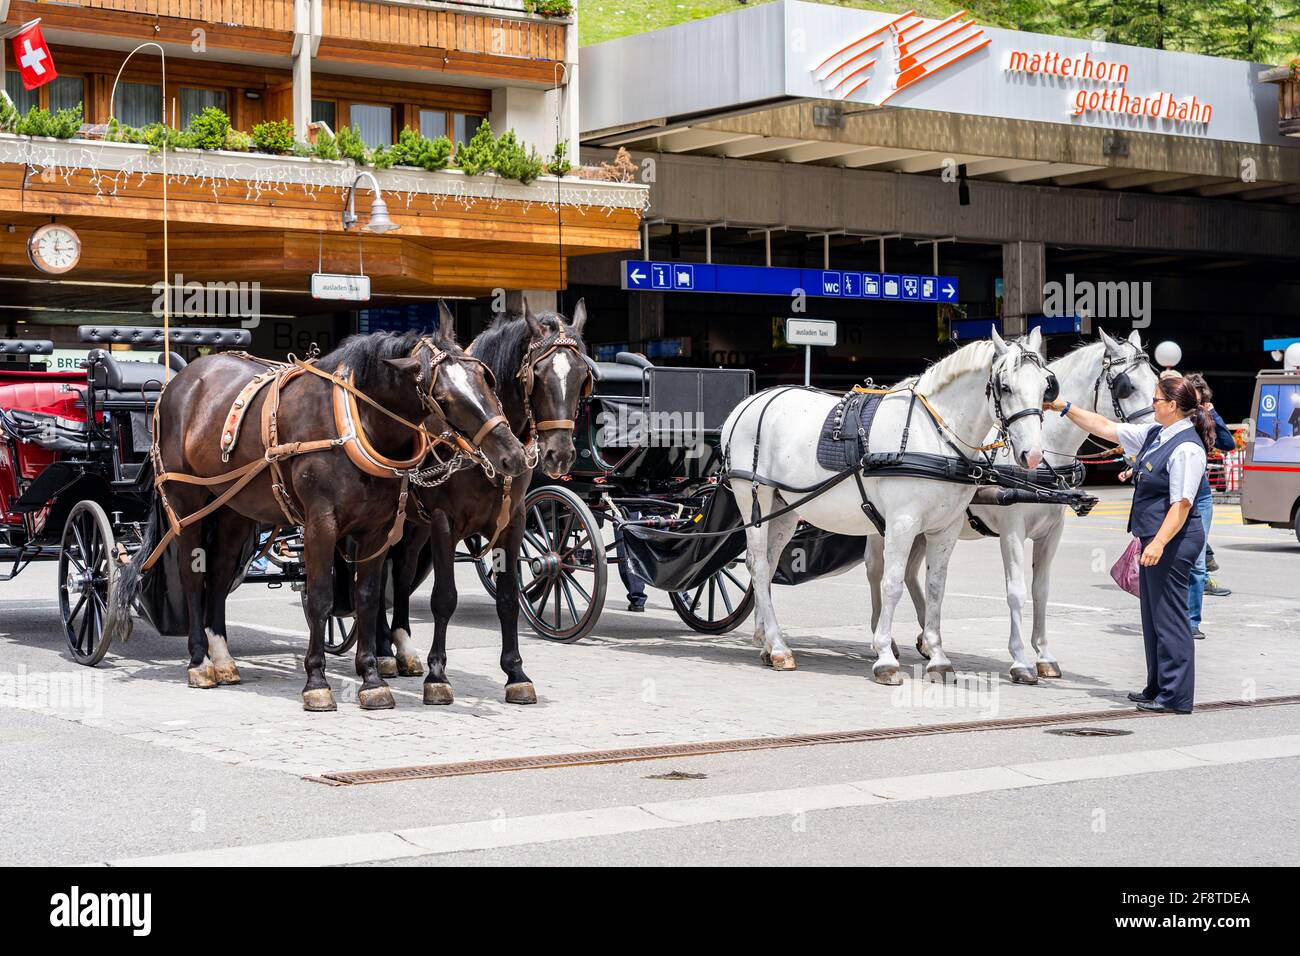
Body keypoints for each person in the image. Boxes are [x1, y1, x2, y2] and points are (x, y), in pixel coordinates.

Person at [1045, 375, 1214, 714]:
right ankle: (1157, 687)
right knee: (1153, 617)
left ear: (1172, 406)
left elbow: (1181, 504)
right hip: (1156, 537)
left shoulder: (1186, 447)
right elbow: (1105, 427)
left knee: (1170, 617)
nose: (1151, 404)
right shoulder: (1157, 434)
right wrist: (1061, 406)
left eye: (1155, 400)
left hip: (1174, 540)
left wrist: (1159, 543)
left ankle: (1176, 696)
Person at [1182, 373, 1237, 638]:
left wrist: (1212, 413)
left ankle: (1192, 622)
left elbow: (1229, 444)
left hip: (1201, 494)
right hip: (1176, 492)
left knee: (1197, 561)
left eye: (1201, 403)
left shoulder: (1205, 420)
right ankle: (1171, 616)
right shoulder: (1174, 420)